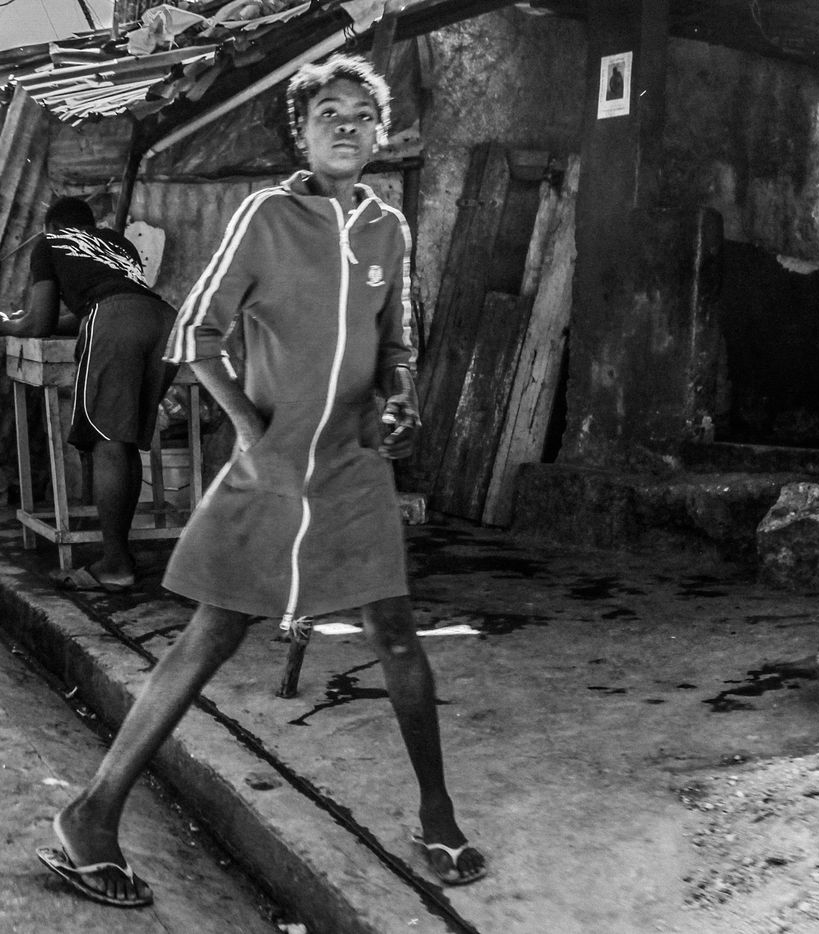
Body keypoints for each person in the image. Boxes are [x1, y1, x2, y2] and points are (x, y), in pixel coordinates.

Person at [36, 53, 486, 908]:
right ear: (301, 135)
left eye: (361, 114)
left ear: (380, 134)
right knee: (212, 634)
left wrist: (402, 402)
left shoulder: (389, 228)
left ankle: (438, 815)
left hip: (352, 466)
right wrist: (252, 431)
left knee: (395, 632)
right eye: (328, 114)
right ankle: (91, 815)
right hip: (271, 466)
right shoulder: (265, 216)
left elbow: (398, 345)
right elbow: (194, 335)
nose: (346, 125)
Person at [0, 197, 177, 591]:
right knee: (124, 441)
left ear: (50, 226)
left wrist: (8, 325)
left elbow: (40, 322)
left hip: (115, 321)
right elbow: (89, 309)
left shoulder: (49, 243)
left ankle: (115, 566)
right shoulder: (118, 242)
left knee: (107, 443)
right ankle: (121, 558)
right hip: (164, 321)